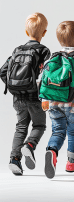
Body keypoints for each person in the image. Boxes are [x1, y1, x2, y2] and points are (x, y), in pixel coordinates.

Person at [41, 21, 74, 179]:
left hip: (53, 103)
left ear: (59, 41)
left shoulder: (54, 57)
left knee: (57, 131)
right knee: (73, 132)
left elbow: (43, 80)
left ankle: (51, 150)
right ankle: (72, 162)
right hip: (73, 106)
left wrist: (44, 99)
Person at [0, 13, 50, 175]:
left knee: (21, 127)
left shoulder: (17, 50)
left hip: (18, 98)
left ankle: (14, 160)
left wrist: (14, 86)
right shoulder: (44, 51)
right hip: (35, 98)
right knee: (39, 125)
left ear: (26, 32)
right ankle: (29, 146)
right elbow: (46, 75)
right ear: (44, 33)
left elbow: (3, 71)